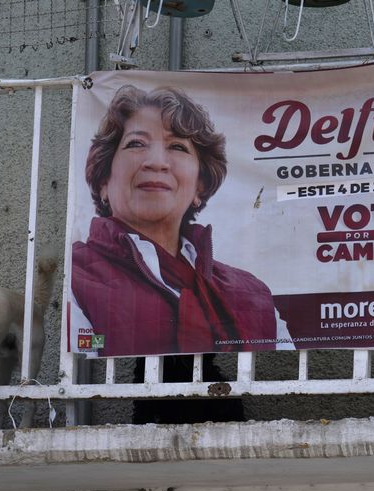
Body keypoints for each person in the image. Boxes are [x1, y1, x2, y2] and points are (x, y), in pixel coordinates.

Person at [71, 84, 292, 357]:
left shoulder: (254, 295)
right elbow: (81, 366)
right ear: (104, 180)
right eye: (136, 143)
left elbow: (283, 374)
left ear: (200, 186)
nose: (156, 162)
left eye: (177, 146)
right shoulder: (74, 278)